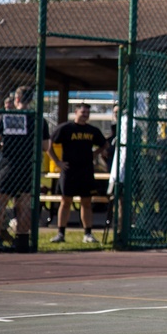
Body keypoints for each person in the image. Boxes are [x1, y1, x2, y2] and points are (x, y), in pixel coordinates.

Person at [0, 86, 51, 252]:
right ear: (31, 100)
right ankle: (22, 239)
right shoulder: (38, 119)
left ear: (16, 99)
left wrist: (3, 145)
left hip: (8, 164)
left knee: (0, 203)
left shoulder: (7, 117)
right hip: (28, 164)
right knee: (24, 203)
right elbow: (46, 146)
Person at [47, 103, 109, 244]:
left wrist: (95, 153)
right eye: (83, 111)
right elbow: (48, 145)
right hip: (69, 171)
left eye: (87, 112)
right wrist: (57, 162)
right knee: (66, 201)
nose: (85, 114)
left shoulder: (92, 130)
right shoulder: (66, 128)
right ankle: (60, 233)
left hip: (85, 171)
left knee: (86, 202)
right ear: (76, 112)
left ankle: (88, 234)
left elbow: (104, 144)